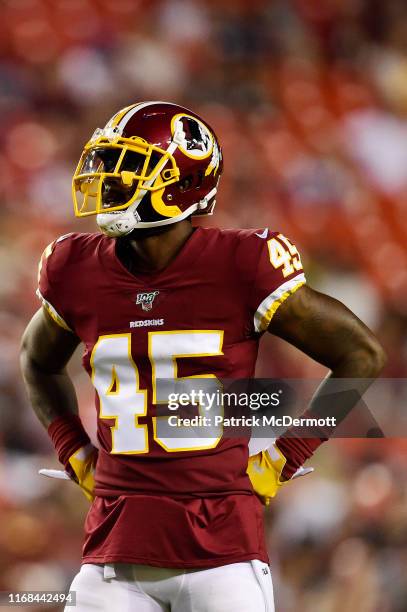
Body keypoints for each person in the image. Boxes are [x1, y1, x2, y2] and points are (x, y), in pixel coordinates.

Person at [20, 102, 386, 611]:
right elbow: (35, 360)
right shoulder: (75, 266)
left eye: (128, 169)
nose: (106, 181)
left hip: (222, 556)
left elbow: (360, 354)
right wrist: (74, 450)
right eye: (107, 165)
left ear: (180, 185)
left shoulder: (241, 263)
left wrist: (285, 457)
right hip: (112, 555)